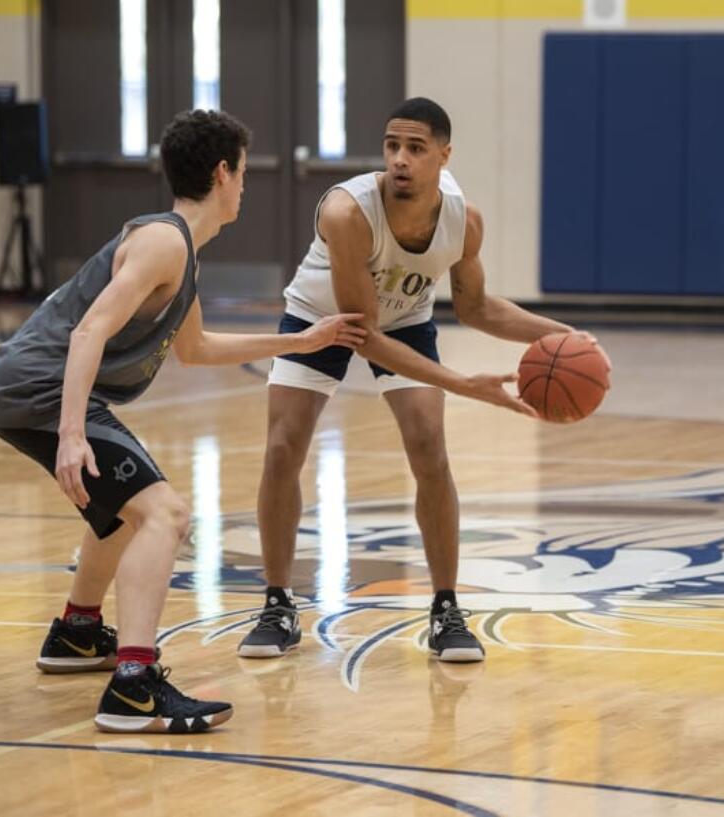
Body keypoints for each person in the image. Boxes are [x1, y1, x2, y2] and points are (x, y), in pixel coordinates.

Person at [0, 109, 366, 733]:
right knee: (166, 513)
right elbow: (89, 331)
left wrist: (302, 341)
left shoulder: (180, 248)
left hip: (27, 389)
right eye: (242, 172)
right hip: (40, 389)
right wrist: (73, 435)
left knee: (125, 509)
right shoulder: (164, 242)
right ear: (223, 172)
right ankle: (133, 683)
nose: (244, 185)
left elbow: (195, 350)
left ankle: (78, 632)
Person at [237, 97, 595, 662]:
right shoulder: (346, 212)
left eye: (415, 148)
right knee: (283, 448)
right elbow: (363, 333)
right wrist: (461, 382)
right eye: (391, 146)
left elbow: (477, 309)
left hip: (403, 320)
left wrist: (562, 336)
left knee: (430, 447)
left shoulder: (463, 220)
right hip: (323, 319)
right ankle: (278, 603)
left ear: (443, 157)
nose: (399, 159)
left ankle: (446, 608)